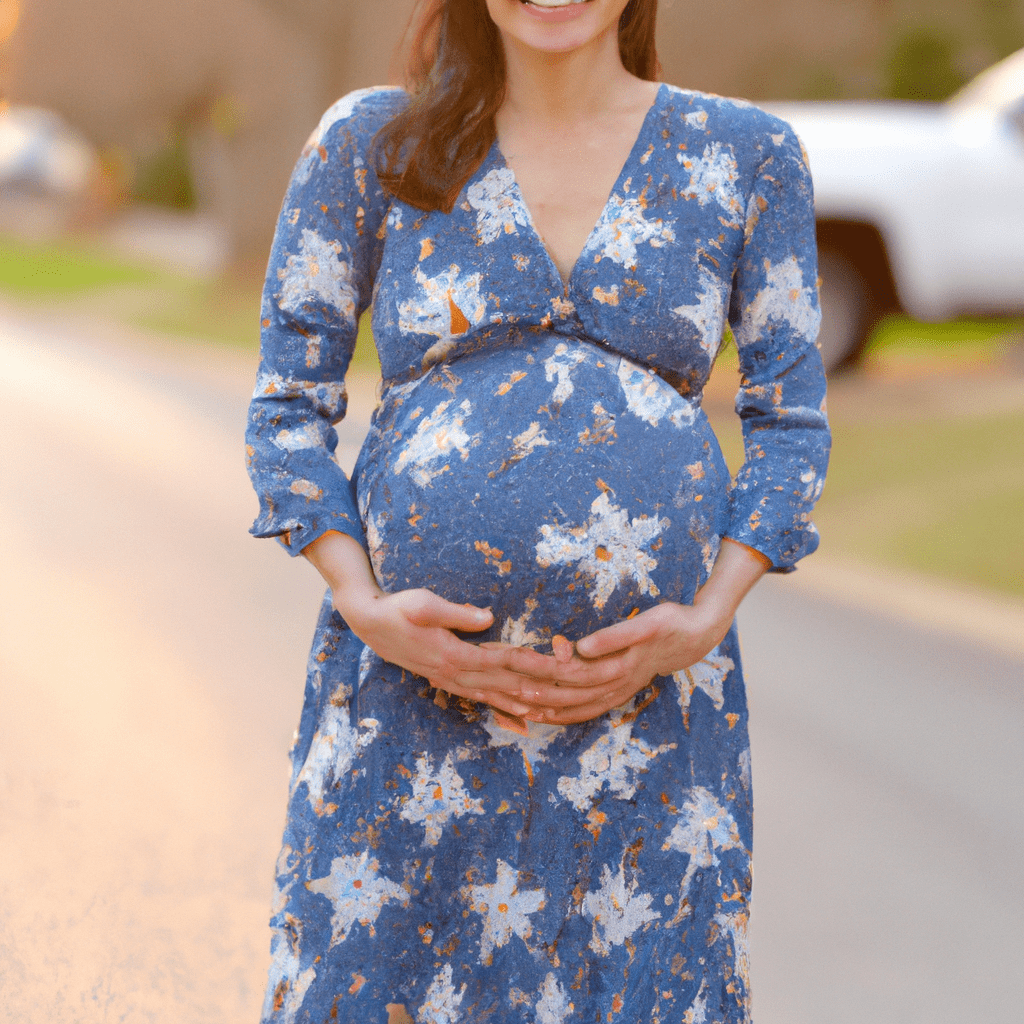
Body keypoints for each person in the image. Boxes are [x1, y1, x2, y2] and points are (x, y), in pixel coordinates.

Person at [245, 0, 830, 1020]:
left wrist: (706, 617)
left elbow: (790, 426)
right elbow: (287, 408)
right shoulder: (372, 142)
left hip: (645, 718)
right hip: (406, 706)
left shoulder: (748, 155)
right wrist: (364, 603)